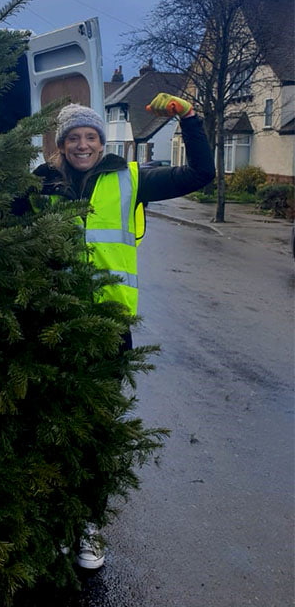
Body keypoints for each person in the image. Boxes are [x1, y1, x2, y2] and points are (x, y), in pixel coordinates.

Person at [17, 92, 215, 570]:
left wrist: (190, 121)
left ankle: (88, 525)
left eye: (90, 137)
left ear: (101, 142)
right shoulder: (38, 186)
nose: (83, 145)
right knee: (51, 429)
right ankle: (56, 523)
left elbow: (199, 175)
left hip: (107, 326)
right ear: (60, 144)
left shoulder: (130, 179)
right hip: (52, 324)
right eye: (73, 138)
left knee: (94, 431)